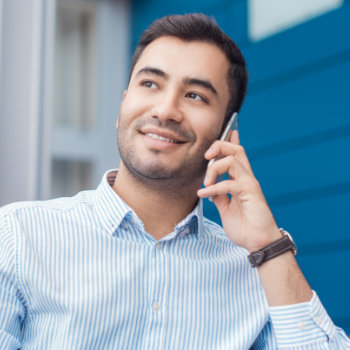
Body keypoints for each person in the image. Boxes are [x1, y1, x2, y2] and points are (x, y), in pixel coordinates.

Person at [0, 13, 349, 350]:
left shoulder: (255, 269)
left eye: (195, 95)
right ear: (124, 104)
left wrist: (269, 246)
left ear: (227, 130)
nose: (166, 110)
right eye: (150, 83)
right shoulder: (18, 238)